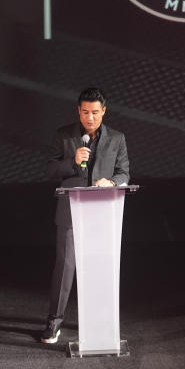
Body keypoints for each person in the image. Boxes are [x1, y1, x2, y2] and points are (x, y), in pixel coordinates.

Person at [40, 87, 130, 344]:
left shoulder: (117, 139)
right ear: (78, 111)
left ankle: (98, 323)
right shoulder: (64, 136)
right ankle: (54, 323)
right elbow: (50, 168)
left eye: (95, 113)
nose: (90, 118)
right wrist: (72, 161)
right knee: (66, 266)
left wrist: (112, 183)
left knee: (100, 267)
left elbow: (124, 173)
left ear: (104, 112)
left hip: (102, 212)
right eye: (85, 112)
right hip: (70, 210)